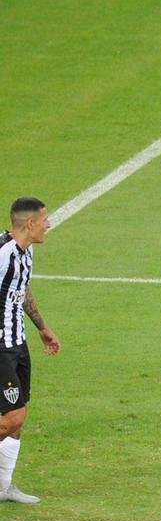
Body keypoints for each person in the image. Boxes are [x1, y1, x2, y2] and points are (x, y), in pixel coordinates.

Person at [0, 197, 62, 504]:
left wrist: (42, 327)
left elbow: (22, 290)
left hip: (17, 342)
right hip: (0, 346)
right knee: (13, 417)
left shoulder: (27, 252)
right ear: (30, 223)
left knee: (18, 417)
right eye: (45, 219)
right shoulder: (2, 254)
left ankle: (2, 487)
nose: (48, 224)